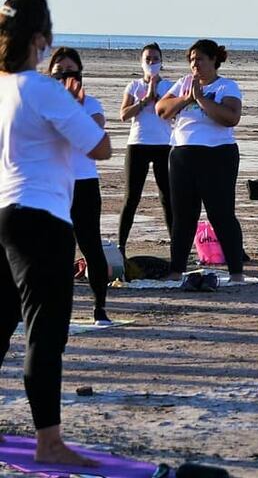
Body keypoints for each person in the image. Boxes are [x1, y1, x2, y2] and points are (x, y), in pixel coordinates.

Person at [0, 0, 111, 466]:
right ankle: (49, 442)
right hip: (40, 218)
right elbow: (100, 147)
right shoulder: (38, 87)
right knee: (46, 335)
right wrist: (72, 107)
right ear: (40, 38)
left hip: (5, 213)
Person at [156, 39, 245, 281]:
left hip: (217, 154)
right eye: (192, 59)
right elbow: (161, 110)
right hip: (183, 154)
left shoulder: (226, 86)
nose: (195, 64)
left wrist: (201, 99)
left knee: (221, 213)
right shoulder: (184, 83)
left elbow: (230, 117)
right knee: (183, 215)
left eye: (200, 59)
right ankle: (177, 270)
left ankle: (236, 272)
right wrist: (186, 99)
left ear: (214, 60)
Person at [47, 48, 112, 324]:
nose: (65, 78)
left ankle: (99, 308)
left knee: (90, 245)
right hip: (50, 185)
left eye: (70, 72)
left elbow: (91, 137)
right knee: (49, 250)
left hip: (83, 184)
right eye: (58, 73)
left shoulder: (91, 104)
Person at [117, 42, 174, 259]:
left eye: (155, 59)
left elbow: (173, 113)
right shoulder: (133, 86)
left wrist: (157, 97)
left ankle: (176, 246)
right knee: (131, 197)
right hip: (138, 144)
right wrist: (144, 100)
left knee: (167, 197)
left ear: (162, 62)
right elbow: (124, 114)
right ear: (141, 62)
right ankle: (121, 246)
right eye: (148, 59)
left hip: (163, 145)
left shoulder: (169, 86)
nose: (152, 63)